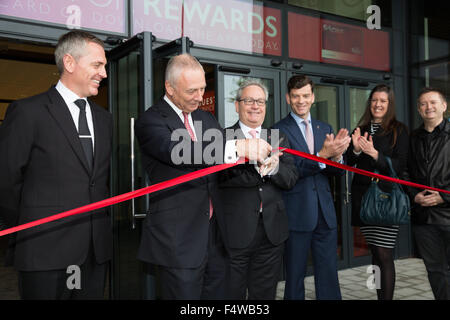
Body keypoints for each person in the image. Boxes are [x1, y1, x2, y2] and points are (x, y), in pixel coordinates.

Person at [134, 54, 272, 300]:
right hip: (178, 240)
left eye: (202, 89)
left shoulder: (205, 118)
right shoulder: (151, 120)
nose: (200, 96)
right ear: (170, 88)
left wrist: (265, 159)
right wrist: (238, 148)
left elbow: (225, 160)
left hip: (216, 237)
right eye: (192, 91)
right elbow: (177, 151)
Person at [0, 30, 112, 299]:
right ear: (70, 63)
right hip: (44, 250)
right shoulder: (28, 112)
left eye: (105, 66)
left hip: (94, 255)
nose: (104, 73)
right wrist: (27, 230)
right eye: (97, 65)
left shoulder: (104, 119)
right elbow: (6, 182)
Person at [216, 79, 298, 299]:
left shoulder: (278, 137)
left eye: (260, 101)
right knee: (231, 295)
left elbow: (291, 178)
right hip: (235, 233)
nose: (255, 106)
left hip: (272, 234)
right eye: (249, 100)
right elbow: (220, 178)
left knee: (264, 295)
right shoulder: (223, 139)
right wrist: (252, 163)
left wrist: (273, 170)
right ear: (237, 105)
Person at [273, 75, 350, 300]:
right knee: (295, 275)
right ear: (288, 98)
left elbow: (335, 172)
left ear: (313, 97)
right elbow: (289, 170)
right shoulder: (278, 131)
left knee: (328, 275)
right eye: (296, 96)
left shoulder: (323, 127)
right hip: (297, 213)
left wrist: (337, 158)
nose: (301, 101)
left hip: (325, 214)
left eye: (305, 95)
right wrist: (322, 156)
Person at [346, 84, 409, 300]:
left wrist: (375, 154)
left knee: (384, 253)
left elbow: (399, 165)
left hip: (385, 198)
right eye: (374, 100)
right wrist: (354, 149)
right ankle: (379, 294)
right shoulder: (362, 127)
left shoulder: (398, 129)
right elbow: (350, 162)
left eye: (383, 101)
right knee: (374, 252)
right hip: (364, 199)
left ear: (389, 104)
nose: (378, 104)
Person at [404, 87, 449, 300]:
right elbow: (405, 172)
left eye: (433, 102)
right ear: (419, 110)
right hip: (424, 218)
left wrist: (444, 196)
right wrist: (414, 195)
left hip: (448, 214)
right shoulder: (413, 138)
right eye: (423, 103)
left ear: (444, 106)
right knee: (435, 270)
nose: (428, 107)